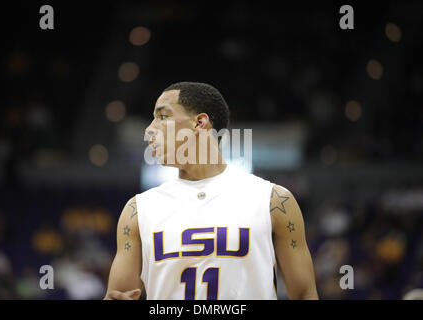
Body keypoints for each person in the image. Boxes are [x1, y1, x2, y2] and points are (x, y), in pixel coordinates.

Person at [104, 82, 318, 300]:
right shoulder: (138, 210)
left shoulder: (273, 200)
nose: (149, 129)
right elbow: (120, 294)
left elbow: (305, 294)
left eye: (162, 117)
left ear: (199, 123)